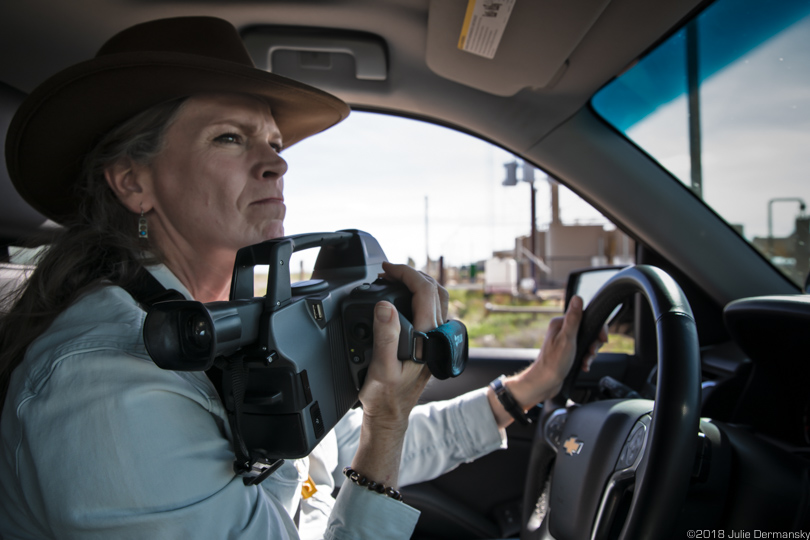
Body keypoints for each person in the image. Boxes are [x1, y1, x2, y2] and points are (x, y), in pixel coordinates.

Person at [0, 17, 605, 540]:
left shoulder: (261, 319)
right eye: (230, 138)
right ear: (133, 183)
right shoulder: (105, 388)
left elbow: (340, 451)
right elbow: (374, 443)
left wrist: (528, 387)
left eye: (274, 141)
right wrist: (386, 425)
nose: (277, 162)